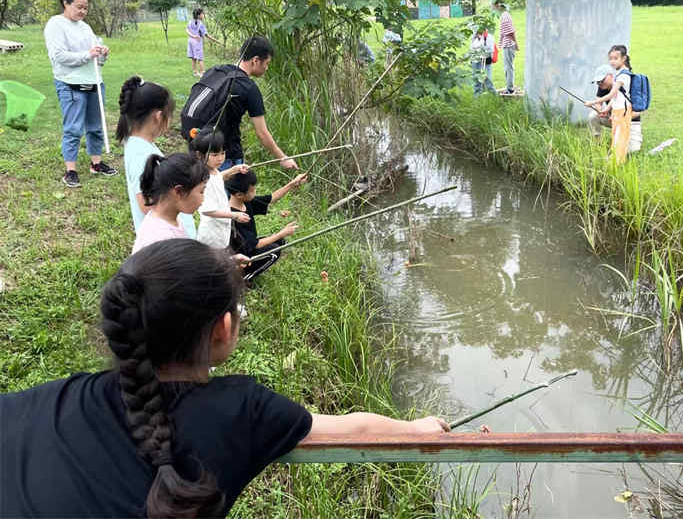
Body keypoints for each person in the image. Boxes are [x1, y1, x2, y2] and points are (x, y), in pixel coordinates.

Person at [0, 239, 450, 517]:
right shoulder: (241, 409)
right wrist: (419, 430)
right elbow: (358, 428)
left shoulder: (54, 398)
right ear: (223, 329)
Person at [44, 0, 118, 188]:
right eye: (79, 7)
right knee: (74, 128)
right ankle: (71, 170)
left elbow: (96, 60)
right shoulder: (55, 24)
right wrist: (88, 54)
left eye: (86, 8)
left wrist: (102, 53)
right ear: (66, 4)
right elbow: (58, 56)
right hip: (70, 84)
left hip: (94, 82)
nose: (83, 11)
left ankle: (96, 163)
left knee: (96, 127)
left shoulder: (85, 27)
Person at [199, 36, 299, 172]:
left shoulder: (215, 71)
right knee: (229, 192)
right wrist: (283, 158)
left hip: (199, 147)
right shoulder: (249, 88)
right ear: (256, 60)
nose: (267, 68)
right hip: (225, 156)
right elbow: (262, 133)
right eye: (267, 63)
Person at [117, 76, 197, 238]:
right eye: (170, 114)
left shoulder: (140, 144)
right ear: (159, 116)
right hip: (168, 245)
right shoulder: (141, 154)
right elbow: (147, 206)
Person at [227, 170, 307, 281]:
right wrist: (281, 233)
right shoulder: (235, 217)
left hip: (247, 247)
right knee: (273, 252)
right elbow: (256, 245)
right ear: (239, 194)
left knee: (280, 242)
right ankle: (242, 279)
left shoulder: (244, 201)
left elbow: (270, 199)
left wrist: (292, 183)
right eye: (252, 191)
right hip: (240, 257)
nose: (255, 192)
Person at [132, 153, 209, 254]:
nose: (203, 198)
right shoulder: (160, 239)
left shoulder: (168, 220)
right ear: (178, 191)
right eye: (202, 191)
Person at [188, 128, 250, 250]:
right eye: (215, 155)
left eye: (223, 153)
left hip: (221, 229)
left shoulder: (213, 170)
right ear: (200, 155)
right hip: (211, 233)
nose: (220, 158)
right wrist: (234, 215)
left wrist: (234, 170)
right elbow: (207, 210)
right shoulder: (203, 179)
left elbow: (218, 178)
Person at [584, 45, 636, 164]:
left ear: (623, 59)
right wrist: (606, 109)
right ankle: (610, 157)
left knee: (621, 140)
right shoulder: (618, 74)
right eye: (610, 58)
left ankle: (616, 163)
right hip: (617, 112)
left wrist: (592, 102)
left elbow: (611, 95)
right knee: (616, 138)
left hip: (624, 112)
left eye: (615, 58)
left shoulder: (623, 76)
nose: (612, 61)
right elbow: (615, 98)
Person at [493, 0, 519, 95]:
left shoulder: (505, 16)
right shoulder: (505, 15)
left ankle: (510, 88)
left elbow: (510, 32)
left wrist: (516, 44)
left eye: (494, 6)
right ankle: (510, 87)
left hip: (508, 45)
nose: (494, 9)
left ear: (499, 6)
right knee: (508, 66)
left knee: (508, 67)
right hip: (507, 44)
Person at [186, 8, 220, 77]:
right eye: (202, 14)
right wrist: (216, 40)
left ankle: (195, 72)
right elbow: (206, 35)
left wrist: (192, 36)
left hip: (190, 41)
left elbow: (187, 30)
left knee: (193, 58)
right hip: (197, 42)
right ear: (198, 16)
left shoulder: (190, 22)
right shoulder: (200, 24)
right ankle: (202, 73)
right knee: (200, 58)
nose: (203, 15)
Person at [469, 29, 497, 96]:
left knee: (487, 78)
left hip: (485, 60)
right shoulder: (474, 37)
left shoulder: (489, 37)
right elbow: (471, 48)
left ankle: (494, 95)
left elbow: (491, 49)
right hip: (475, 60)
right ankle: (477, 96)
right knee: (476, 78)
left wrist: (483, 51)